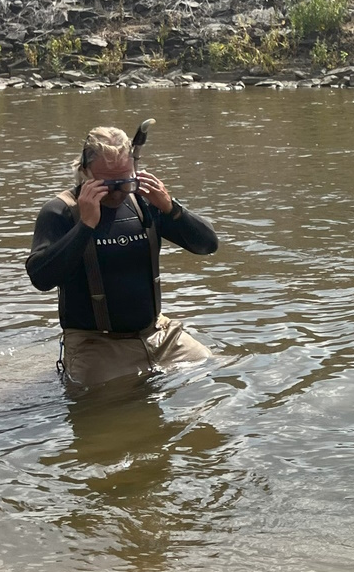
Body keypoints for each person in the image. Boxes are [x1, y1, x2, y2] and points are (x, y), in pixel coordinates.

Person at [26, 123, 218, 388]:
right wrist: (85, 226)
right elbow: (41, 278)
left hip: (158, 334)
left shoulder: (145, 203)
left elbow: (207, 246)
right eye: (106, 184)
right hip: (96, 343)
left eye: (124, 181)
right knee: (105, 406)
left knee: (214, 374)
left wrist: (172, 208)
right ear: (85, 171)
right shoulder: (61, 212)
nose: (117, 192)